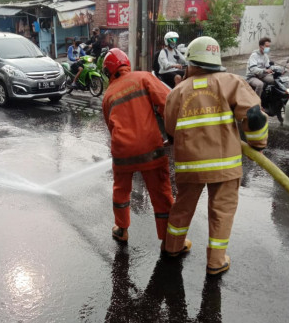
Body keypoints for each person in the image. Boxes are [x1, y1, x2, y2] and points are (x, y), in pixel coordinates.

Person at [163, 36, 269, 275]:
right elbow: (254, 116)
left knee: (182, 207)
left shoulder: (178, 92)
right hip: (225, 165)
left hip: (190, 167)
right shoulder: (232, 82)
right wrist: (257, 144)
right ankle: (216, 261)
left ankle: (172, 247)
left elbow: (170, 129)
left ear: (191, 63)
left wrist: (175, 141)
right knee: (222, 211)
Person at [101, 48, 174, 243]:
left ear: (108, 72)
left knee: (121, 190)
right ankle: (168, 239)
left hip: (122, 152)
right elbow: (168, 104)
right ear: (126, 63)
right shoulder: (143, 77)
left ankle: (122, 230)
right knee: (161, 193)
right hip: (151, 149)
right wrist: (173, 135)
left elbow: (111, 127)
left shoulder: (108, 95)